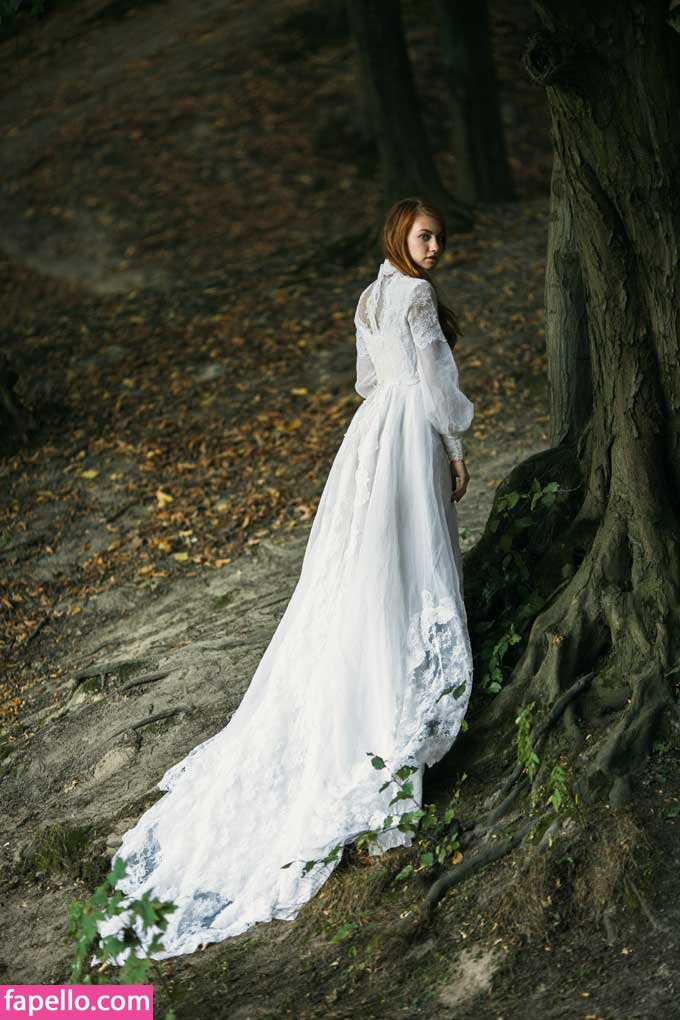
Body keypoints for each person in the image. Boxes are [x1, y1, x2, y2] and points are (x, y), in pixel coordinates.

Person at [97, 196, 475, 962]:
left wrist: (396, 413)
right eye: (424, 235)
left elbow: (367, 381)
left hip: (371, 434)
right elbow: (434, 378)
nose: (435, 247)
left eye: (440, 238)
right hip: (406, 432)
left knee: (368, 565)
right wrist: (457, 444)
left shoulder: (369, 298)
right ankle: (389, 702)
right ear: (398, 235)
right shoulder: (413, 295)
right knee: (407, 558)